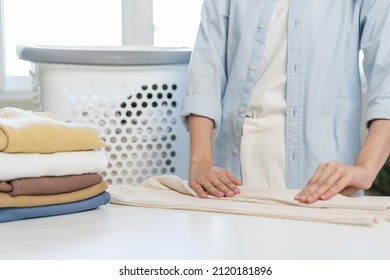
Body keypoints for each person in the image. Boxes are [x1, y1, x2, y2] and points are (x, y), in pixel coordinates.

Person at [180, 0, 390, 203]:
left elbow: (386, 84)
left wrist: (366, 167)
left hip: (325, 182)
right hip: (233, 176)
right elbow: (206, 71)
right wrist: (200, 162)